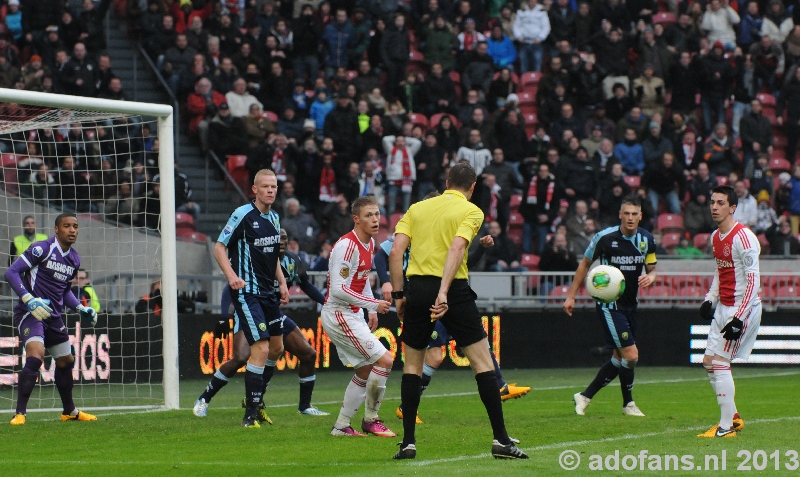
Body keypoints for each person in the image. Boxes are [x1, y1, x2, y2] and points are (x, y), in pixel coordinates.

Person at [389, 162, 527, 460]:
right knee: (482, 362)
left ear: (447, 180)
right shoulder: (472, 211)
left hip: (417, 287)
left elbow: (396, 251)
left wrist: (400, 294)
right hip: (453, 290)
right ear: (473, 187)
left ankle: (409, 443)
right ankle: (501, 440)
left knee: (412, 366)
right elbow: (456, 249)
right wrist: (443, 292)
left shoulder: (416, 209)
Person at [373, 222, 529, 425]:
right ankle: (406, 407)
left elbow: (464, 264)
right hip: (425, 299)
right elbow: (382, 255)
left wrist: (481, 248)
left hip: (447, 298)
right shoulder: (414, 229)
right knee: (433, 357)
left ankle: (500, 386)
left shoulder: (446, 236)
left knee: (477, 339)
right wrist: (387, 282)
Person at [194, 229, 330, 420]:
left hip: (273, 313)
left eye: (284, 238)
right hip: (249, 312)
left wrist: (327, 303)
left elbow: (306, 285)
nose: (281, 242)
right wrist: (224, 316)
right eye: (277, 238)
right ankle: (204, 398)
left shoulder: (292, 262)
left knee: (308, 353)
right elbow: (229, 287)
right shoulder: (258, 258)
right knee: (240, 358)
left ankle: (303, 406)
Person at [563, 194, 658, 418]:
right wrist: (571, 296)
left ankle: (585, 396)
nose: (630, 218)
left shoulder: (646, 240)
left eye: (635, 214)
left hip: (631, 305)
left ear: (640, 216)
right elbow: (585, 264)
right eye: (626, 213)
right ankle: (628, 404)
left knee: (619, 358)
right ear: (620, 215)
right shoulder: (604, 238)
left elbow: (652, 269)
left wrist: (651, 278)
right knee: (631, 355)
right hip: (609, 305)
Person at [210, 169, 289, 428]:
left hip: (269, 293)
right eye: (265, 186)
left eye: (274, 186)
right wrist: (232, 276)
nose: (270, 190)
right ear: (254, 189)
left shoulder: (275, 218)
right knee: (262, 349)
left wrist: (282, 281)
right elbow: (219, 247)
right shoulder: (242, 214)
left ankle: (255, 399)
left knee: (277, 349)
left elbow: (273, 256)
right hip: (247, 292)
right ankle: (251, 413)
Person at [4, 213, 98, 425]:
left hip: (54, 316)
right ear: (57, 229)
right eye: (67, 226)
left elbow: (65, 290)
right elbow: (11, 272)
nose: (72, 230)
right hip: (31, 312)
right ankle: (20, 413)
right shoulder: (42, 249)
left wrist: (80, 308)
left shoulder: (74, 258)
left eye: (75, 226)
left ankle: (69, 411)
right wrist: (29, 299)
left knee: (66, 361)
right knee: (36, 356)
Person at [322, 196, 395, 438]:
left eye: (377, 214)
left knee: (365, 372)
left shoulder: (370, 243)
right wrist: (373, 303)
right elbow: (338, 289)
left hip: (352, 313)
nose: (375, 219)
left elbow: (361, 280)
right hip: (339, 313)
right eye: (368, 216)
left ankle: (341, 427)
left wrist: (370, 310)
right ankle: (371, 420)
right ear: (356, 219)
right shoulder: (347, 246)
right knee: (385, 360)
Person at [697, 185, 761, 438]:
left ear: (732, 208)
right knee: (708, 362)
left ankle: (725, 429)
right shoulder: (715, 237)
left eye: (721, 202)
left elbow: (753, 281)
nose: (714, 206)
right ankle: (733, 417)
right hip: (723, 306)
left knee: (721, 362)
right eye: (712, 202)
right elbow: (720, 271)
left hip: (742, 308)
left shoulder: (744, 238)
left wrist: (739, 317)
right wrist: (709, 299)